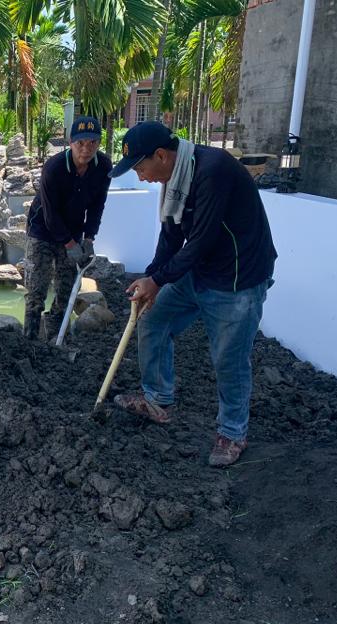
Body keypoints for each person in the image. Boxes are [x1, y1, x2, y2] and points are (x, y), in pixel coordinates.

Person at [108, 121, 277, 467]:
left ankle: (232, 433)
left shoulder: (213, 171)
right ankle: (157, 399)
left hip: (237, 278)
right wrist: (151, 277)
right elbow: (171, 236)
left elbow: (200, 241)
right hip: (201, 269)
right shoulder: (174, 179)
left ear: (160, 155)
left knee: (228, 357)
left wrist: (158, 280)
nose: (140, 177)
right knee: (153, 318)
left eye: (140, 168)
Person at [23, 115, 112, 340]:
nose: (86, 149)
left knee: (66, 287)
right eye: (80, 143)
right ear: (70, 142)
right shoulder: (54, 168)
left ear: (99, 143)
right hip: (42, 230)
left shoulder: (103, 166)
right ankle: (29, 340)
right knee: (37, 288)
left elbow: (97, 205)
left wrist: (89, 238)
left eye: (92, 142)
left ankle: (56, 336)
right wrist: (70, 245)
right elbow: (50, 214)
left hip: (73, 229)